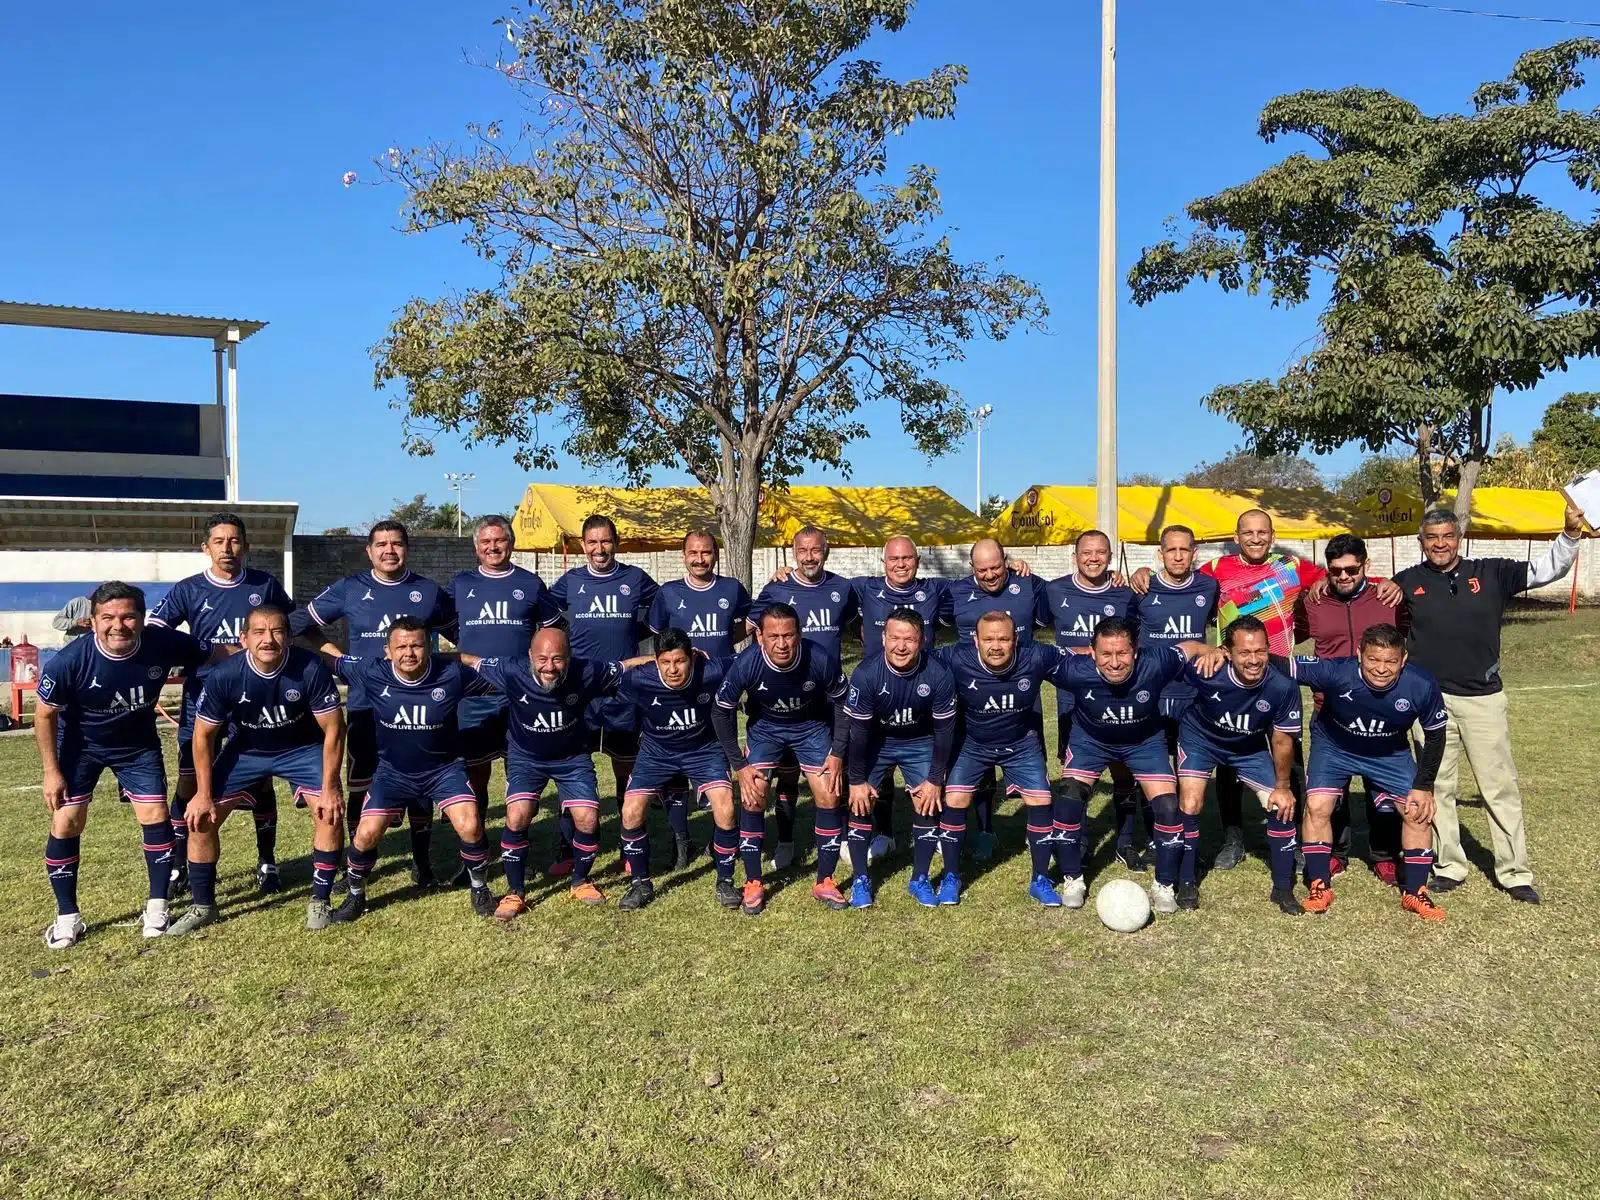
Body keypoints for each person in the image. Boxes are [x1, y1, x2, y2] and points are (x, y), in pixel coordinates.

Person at [1130, 509, 1402, 870]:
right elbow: (1177, 577)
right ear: (1237, 536)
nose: (1255, 538)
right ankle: (1233, 838)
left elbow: (1345, 576)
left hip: (1278, 679)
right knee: (1229, 761)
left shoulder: (1291, 566)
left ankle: (1300, 839)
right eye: (1248, 532)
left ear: (1272, 536)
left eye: (1262, 532)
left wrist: (1388, 582)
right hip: (1231, 681)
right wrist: (1144, 572)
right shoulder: (1216, 571)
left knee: (1290, 759)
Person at [1390, 503, 1584, 904]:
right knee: (1436, 787)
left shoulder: (1492, 572)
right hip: (1429, 703)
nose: (1440, 544)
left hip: (1483, 700)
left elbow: (1547, 570)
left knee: (1499, 788)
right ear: (1421, 542)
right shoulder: (1406, 581)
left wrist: (1569, 535)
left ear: (1459, 539)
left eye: (1447, 536)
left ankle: (1514, 872)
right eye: (1432, 537)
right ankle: (1448, 865)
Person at [35, 582, 219, 948]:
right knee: (67, 820)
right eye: (108, 617)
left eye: (127, 616)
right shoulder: (69, 661)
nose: (118, 625)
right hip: (80, 747)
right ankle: (67, 917)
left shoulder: (164, 643)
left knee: (154, 817)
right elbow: (43, 716)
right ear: (92, 621)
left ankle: (157, 907)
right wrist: (51, 772)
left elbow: (215, 654)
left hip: (137, 747)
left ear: (142, 618)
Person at [292, 520, 457, 886]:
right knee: (361, 782)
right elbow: (299, 624)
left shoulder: (428, 591)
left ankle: (422, 862)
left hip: (420, 705)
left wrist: (445, 670)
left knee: (418, 780)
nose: (389, 550)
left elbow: (461, 635)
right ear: (369, 551)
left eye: (396, 543)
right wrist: (336, 657)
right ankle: (359, 862)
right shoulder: (351, 588)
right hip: (368, 705)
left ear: (407, 549)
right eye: (380, 544)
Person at [166, 605, 345, 935]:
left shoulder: (310, 668)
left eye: (277, 631)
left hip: (301, 748)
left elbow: (334, 729)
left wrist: (331, 786)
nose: (269, 639)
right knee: (201, 817)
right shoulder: (225, 675)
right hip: (246, 750)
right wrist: (203, 795)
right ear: (243, 638)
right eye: (259, 633)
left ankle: (320, 899)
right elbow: (203, 737)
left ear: (289, 637)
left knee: (329, 811)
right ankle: (203, 906)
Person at [146, 512, 294, 897]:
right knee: (191, 781)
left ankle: (267, 861)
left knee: (260, 780)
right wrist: (201, 650)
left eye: (234, 541)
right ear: (205, 547)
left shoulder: (265, 584)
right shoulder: (189, 589)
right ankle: (180, 862)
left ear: (245, 546)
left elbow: (288, 630)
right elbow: (157, 632)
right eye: (219, 541)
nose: (227, 548)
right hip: (204, 701)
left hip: (256, 701)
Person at [323, 618, 499, 924]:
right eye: (401, 646)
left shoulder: (453, 675)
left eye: (417, 645)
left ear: (429, 647)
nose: (409, 652)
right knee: (365, 835)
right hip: (393, 773)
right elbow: (330, 661)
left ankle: (479, 887)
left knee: (470, 825)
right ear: (387, 651)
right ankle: (355, 896)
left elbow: (504, 679)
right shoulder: (371, 672)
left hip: (444, 770)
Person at [1054, 618, 1224, 914]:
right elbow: (1028, 659)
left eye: (1123, 653)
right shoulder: (1073, 668)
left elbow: (1191, 647)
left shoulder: (1157, 662)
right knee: (1068, 798)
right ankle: (1073, 878)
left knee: (1169, 808)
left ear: (1136, 651)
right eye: (1106, 654)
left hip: (1144, 742)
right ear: (1091, 653)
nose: (1115, 663)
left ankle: (1165, 885)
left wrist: (1212, 650)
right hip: (1090, 741)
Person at [463, 628, 626, 917]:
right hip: (527, 759)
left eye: (557, 659)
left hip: (572, 758)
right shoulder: (511, 670)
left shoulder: (588, 671)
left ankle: (581, 881)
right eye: (542, 659)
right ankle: (515, 893)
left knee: (588, 818)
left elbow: (627, 666)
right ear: (529, 656)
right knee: (517, 815)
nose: (549, 667)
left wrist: (669, 657)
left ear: (570, 657)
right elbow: (470, 660)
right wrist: (426, 656)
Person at [1293, 625, 1450, 921]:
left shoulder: (1422, 684)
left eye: (1390, 661)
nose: (1381, 669)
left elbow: (1435, 737)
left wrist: (1423, 784)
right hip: (1334, 747)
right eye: (1373, 660)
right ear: (1358, 655)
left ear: (1403, 660)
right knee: (1317, 806)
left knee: (1418, 810)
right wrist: (1222, 655)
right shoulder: (1336, 672)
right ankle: (1319, 885)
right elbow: (1278, 665)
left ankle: (1416, 892)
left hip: (1388, 753)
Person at [712, 603, 849, 916]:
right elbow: (721, 710)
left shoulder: (818, 657)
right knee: (753, 795)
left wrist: (838, 753)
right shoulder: (748, 663)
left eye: (789, 635)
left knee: (829, 792)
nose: (782, 643)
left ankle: (824, 881)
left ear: (799, 635)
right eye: (773, 636)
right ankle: (754, 882)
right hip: (766, 731)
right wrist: (740, 766)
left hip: (812, 728)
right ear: (760, 636)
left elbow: (844, 702)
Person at [443, 514, 559, 883]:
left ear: (511, 543)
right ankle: (475, 855)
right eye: (486, 542)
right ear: (476, 547)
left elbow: (553, 629)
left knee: (520, 772)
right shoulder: (460, 585)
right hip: (473, 697)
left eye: (501, 541)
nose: (493, 547)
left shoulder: (530, 583)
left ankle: (517, 846)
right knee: (475, 775)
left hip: (520, 695)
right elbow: (441, 624)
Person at [936, 611, 1075, 907]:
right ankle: (951, 876)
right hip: (973, 744)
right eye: (988, 639)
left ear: (1016, 640)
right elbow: (915, 660)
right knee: (956, 799)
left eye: (1003, 638)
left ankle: (1040, 879)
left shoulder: (1035, 655)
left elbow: (1082, 657)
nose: (995, 645)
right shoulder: (956, 657)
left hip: (1020, 744)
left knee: (1040, 800)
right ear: (975, 641)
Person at [547, 514, 660, 873]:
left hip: (623, 691)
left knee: (626, 770)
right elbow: (545, 615)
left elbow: (664, 607)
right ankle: (567, 848)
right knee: (572, 770)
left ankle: (630, 847)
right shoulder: (571, 581)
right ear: (583, 546)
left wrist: (633, 630)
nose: (599, 549)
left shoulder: (634, 579)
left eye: (606, 541)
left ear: (617, 542)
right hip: (578, 690)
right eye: (592, 542)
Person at [1293, 533, 1409, 882]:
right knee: (1333, 789)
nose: (1344, 577)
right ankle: (1336, 853)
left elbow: (1409, 638)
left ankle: (1384, 854)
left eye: (1351, 570)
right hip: (1330, 710)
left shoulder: (1388, 598)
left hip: (1383, 710)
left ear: (1366, 565)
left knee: (1382, 786)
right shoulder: (1313, 602)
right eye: (1335, 571)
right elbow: (1291, 634)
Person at [1174, 616, 1302, 914]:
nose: (1254, 660)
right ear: (1228, 652)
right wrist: (1206, 648)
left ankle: (1282, 887)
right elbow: (1175, 652)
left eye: (1261, 651)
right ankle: (1187, 878)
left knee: (1279, 804)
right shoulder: (1207, 669)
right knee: (1191, 802)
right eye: (1245, 653)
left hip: (1248, 748)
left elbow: (1283, 741)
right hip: (1200, 741)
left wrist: (1283, 787)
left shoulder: (1283, 686)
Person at [753, 526, 859, 872]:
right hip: (782, 697)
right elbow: (756, 630)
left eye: (816, 550)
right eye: (803, 550)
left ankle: (839, 836)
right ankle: (785, 840)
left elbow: (857, 624)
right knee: (786, 776)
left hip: (825, 700)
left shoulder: (843, 588)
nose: (809, 556)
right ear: (793, 552)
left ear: (826, 552)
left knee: (832, 771)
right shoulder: (776, 588)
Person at [613, 629, 737, 912]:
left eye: (680, 661)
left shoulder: (712, 671)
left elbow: (749, 660)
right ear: (656, 662)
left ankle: (726, 880)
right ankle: (640, 883)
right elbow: (611, 670)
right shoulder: (641, 677)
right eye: (665, 662)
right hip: (657, 753)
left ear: (692, 657)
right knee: (631, 811)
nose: (673, 670)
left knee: (726, 808)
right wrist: (643, 660)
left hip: (704, 749)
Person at [1044, 528, 1144, 870]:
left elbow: (1136, 641)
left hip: (1116, 692)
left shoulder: (1123, 594)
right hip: (1072, 696)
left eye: (1101, 552)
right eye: (1086, 552)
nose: (1093, 558)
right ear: (1075, 556)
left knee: (1122, 769)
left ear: (1110, 557)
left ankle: (1126, 841)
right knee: (1073, 771)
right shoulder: (1053, 590)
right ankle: (1081, 841)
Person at [843, 608, 957, 908]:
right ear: (883, 638)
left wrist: (934, 780)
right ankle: (860, 879)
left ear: (922, 641)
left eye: (909, 639)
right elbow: (858, 735)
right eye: (894, 638)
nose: (901, 646)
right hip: (876, 742)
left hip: (919, 741)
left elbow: (944, 732)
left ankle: (919, 878)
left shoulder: (939, 674)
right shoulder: (866, 674)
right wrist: (856, 781)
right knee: (859, 800)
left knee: (927, 801)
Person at [947, 538, 1050, 860]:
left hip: (1021, 688)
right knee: (977, 763)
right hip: (971, 692)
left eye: (996, 567)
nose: (991, 575)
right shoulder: (954, 592)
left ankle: (1040, 831)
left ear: (1007, 560)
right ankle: (985, 829)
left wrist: (1134, 574)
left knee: (1034, 759)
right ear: (971, 568)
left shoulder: (1029, 584)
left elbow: (1070, 589)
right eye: (983, 570)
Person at [647, 530, 752, 663]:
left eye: (706, 553)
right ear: (684, 556)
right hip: (684, 678)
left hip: (726, 674)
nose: (700, 560)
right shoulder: (668, 592)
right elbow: (657, 635)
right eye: (693, 553)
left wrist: (730, 638)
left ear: (716, 555)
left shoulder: (732, 587)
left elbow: (754, 618)